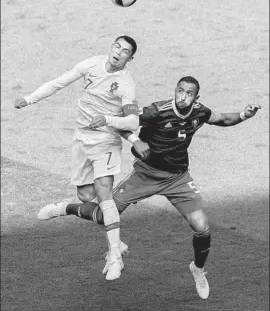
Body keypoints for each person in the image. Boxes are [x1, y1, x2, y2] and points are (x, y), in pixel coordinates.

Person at [37, 76, 261, 298]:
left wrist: (243, 115)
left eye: (189, 93)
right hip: (146, 175)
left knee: (202, 228)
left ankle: (198, 269)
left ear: (196, 97)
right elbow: (121, 122)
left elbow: (222, 119)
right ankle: (65, 208)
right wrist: (136, 140)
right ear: (175, 90)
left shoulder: (199, 111)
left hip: (178, 179)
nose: (183, 97)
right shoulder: (157, 111)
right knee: (103, 216)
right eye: (180, 91)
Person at [14, 35, 140, 281]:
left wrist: (108, 120)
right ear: (111, 46)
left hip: (106, 140)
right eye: (117, 46)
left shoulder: (126, 84)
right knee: (86, 196)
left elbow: (133, 121)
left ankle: (115, 255)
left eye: (125, 51)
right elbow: (59, 82)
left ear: (130, 58)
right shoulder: (91, 64)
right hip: (82, 139)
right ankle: (66, 208)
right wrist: (29, 99)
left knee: (105, 194)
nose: (118, 52)